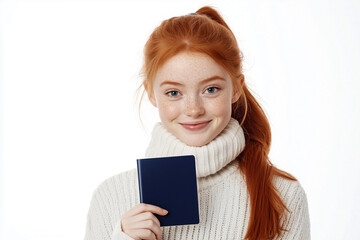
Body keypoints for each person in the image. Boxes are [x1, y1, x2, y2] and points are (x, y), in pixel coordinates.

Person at [84, 6, 310, 240]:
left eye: (211, 89)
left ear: (236, 89)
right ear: (151, 94)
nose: (193, 109)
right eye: (173, 93)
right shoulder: (110, 197)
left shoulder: (283, 195)